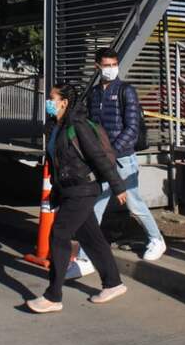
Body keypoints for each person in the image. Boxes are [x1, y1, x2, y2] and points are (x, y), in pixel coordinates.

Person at [27, 82, 128, 313]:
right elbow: (57, 163)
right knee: (91, 237)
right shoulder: (56, 126)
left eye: (52, 98)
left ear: (64, 102)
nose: (48, 102)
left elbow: (98, 156)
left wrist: (117, 186)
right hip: (68, 190)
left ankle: (53, 296)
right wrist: (55, 190)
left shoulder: (77, 125)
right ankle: (113, 283)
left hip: (83, 188)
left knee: (59, 234)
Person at [79, 48, 165, 266]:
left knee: (134, 203)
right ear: (97, 66)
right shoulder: (94, 93)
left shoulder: (126, 90)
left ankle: (157, 239)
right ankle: (86, 253)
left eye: (113, 64)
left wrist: (112, 151)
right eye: (106, 65)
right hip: (102, 158)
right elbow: (91, 125)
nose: (111, 69)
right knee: (97, 203)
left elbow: (132, 128)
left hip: (123, 158)